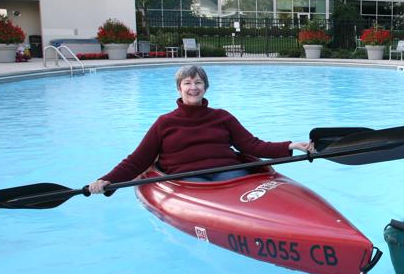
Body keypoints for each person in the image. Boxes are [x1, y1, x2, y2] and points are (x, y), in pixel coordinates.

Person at [89, 65, 314, 193]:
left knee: (237, 183)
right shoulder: (164, 123)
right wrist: (107, 180)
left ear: (205, 87)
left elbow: (252, 145)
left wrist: (291, 145)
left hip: (227, 173)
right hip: (187, 178)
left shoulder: (222, 117)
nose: (193, 87)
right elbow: (138, 159)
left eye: (198, 82)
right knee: (204, 189)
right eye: (187, 83)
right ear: (179, 89)